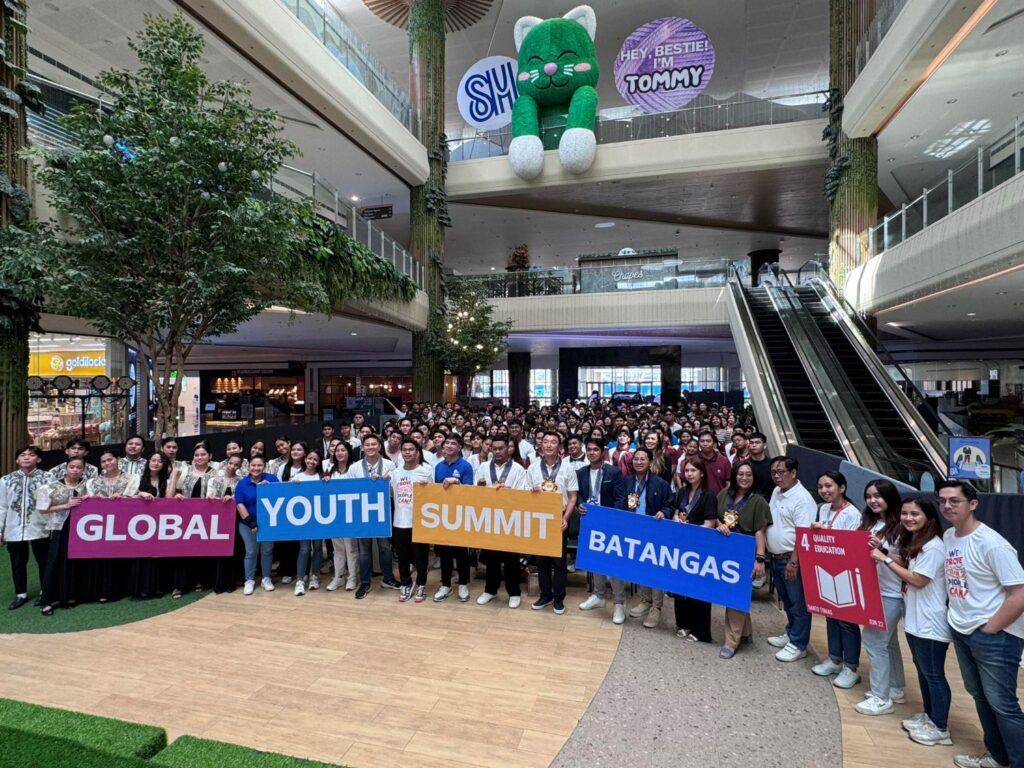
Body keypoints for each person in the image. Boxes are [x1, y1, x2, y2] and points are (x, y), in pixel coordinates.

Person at [940, 480, 1024, 768]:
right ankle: (998, 757)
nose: (947, 506)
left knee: (1003, 704)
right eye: (943, 501)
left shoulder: (992, 543)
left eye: (955, 501)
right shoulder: (950, 536)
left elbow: (1020, 592)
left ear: (973, 504)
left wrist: (990, 628)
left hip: (994, 635)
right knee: (980, 696)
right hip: (963, 630)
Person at [870, 497, 953, 747]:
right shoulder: (919, 543)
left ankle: (940, 728)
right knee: (923, 671)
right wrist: (885, 551)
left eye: (915, 514)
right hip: (916, 618)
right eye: (905, 513)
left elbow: (918, 580)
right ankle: (929, 716)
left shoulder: (934, 547)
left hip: (931, 621)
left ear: (928, 517)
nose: (908, 518)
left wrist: (883, 559)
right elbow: (905, 561)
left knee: (934, 674)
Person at [856, 478, 908, 716]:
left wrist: (883, 550)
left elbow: (909, 562)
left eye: (878, 495)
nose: (873, 500)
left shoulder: (902, 525)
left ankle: (880, 697)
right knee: (889, 643)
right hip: (872, 588)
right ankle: (895, 687)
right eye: (869, 496)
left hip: (892, 592)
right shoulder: (869, 521)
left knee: (875, 641)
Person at [809, 471, 863, 689]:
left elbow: (850, 543)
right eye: (821, 487)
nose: (824, 491)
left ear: (842, 487)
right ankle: (834, 658)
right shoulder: (822, 508)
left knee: (847, 621)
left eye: (829, 486)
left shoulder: (853, 513)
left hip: (846, 573)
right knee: (831, 616)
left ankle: (851, 667)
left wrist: (826, 531)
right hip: (825, 569)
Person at [712, 461, 770, 657]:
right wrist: (720, 524)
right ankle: (746, 632)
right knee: (734, 592)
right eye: (740, 474)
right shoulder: (724, 494)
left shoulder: (758, 502)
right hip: (723, 551)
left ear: (754, 478)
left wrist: (760, 559)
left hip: (744, 552)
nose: (744, 478)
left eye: (749, 475)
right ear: (734, 475)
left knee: (734, 596)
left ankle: (731, 641)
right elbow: (716, 515)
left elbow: (760, 531)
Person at [765, 455, 816, 662]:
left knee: (798, 603)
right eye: (773, 473)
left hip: (791, 559)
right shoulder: (777, 491)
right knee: (786, 600)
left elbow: (803, 534)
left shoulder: (803, 499)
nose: (777, 477)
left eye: (781, 472)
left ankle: (798, 643)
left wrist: (794, 561)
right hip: (775, 557)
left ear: (793, 473)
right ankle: (791, 632)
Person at [475, 433, 532, 609]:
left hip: (510, 519)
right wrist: (482, 488)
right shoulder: (483, 467)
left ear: (509, 448)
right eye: (494, 448)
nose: (498, 451)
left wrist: (507, 491)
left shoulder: (518, 469)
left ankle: (514, 592)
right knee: (490, 557)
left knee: (511, 559)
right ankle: (490, 590)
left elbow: (523, 494)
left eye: (501, 448)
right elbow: (473, 491)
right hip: (489, 517)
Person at [577, 437, 629, 623]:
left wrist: (609, 519)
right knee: (595, 562)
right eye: (589, 449)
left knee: (613, 566)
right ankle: (598, 596)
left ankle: (618, 603)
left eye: (595, 450)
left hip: (610, 524)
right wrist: (580, 506)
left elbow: (620, 499)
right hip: (591, 523)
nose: (591, 452)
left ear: (602, 452)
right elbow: (580, 496)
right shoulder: (581, 472)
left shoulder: (614, 472)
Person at [528, 431, 578, 614]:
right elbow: (525, 495)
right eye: (545, 442)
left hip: (559, 516)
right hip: (539, 516)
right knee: (541, 560)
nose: (549, 445)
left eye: (553, 442)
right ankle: (545, 594)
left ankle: (558, 598)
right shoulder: (533, 468)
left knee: (559, 561)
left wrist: (565, 519)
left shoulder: (568, 468)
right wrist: (531, 491)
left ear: (560, 447)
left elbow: (573, 497)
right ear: (540, 445)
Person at [624, 447, 675, 628]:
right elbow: (620, 504)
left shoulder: (660, 484)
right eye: (636, 459)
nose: (638, 462)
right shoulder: (627, 482)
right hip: (634, 532)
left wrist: (664, 512)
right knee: (640, 568)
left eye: (642, 459)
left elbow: (670, 505)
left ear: (650, 461)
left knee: (655, 570)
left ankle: (656, 607)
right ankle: (645, 600)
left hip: (654, 533)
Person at [669, 456, 716, 641]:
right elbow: (675, 512)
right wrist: (676, 521)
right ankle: (683, 624)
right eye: (687, 470)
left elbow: (710, 523)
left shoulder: (708, 495)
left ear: (701, 473)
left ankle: (700, 630)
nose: (689, 474)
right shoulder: (681, 492)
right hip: (681, 545)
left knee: (698, 589)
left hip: (700, 547)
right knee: (680, 587)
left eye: (693, 471)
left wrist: (690, 530)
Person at [1, 447, 53, 610]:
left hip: (41, 526)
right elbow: (2, 506)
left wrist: (52, 525)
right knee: (17, 562)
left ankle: (45, 592)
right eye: (22, 455)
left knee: (43, 561)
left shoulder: (48, 477)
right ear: (17, 460)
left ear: (38, 459)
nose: (26, 458)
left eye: (31, 455)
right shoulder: (6, 480)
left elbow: (54, 502)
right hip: (14, 527)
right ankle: (21, 594)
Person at [86, 450, 140, 603]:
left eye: (110, 459)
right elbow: (89, 501)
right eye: (103, 461)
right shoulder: (93, 482)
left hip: (124, 523)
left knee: (121, 556)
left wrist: (122, 498)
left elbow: (131, 498)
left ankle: (122, 589)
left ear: (117, 459)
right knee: (102, 558)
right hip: (100, 526)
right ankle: (103, 590)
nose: (107, 463)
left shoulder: (131, 478)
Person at [347, 433, 397, 598]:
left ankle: (388, 578)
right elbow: (349, 492)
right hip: (362, 513)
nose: (370, 447)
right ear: (362, 447)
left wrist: (386, 482)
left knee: (384, 547)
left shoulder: (390, 465)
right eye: (367, 445)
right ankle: (365, 582)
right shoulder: (354, 468)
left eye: (373, 444)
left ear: (379, 446)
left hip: (383, 513)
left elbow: (395, 493)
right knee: (364, 549)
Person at [35, 456, 87, 614]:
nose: (75, 470)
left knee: (74, 562)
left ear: (83, 469)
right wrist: (66, 505)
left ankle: (69, 596)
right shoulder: (50, 486)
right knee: (54, 562)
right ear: (66, 468)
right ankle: (46, 600)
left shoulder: (88, 485)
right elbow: (42, 508)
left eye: (79, 467)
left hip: (81, 529)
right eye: (72, 467)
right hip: (59, 528)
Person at [390, 438, 434, 603]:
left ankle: (421, 584)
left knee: (420, 557)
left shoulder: (426, 472)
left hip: (419, 522)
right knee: (402, 557)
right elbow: (392, 493)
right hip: (399, 521)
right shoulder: (396, 473)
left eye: (411, 449)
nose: (407, 452)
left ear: (417, 452)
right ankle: (406, 583)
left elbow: (433, 497)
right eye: (405, 450)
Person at [433, 434, 475, 602]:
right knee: (444, 552)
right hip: (442, 515)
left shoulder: (465, 466)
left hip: (460, 514)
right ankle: (445, 585)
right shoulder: (438, 466)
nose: (449, 446)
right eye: (447, 443)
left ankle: (463, 584)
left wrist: (456, 483)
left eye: (453, 443)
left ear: (459, 447)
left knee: (461, 552)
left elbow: (470, 490)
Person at [234, 456, 279, 594]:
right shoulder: (242, 483)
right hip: (247, 523)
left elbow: (282, 496)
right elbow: (239, 504)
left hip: (268, 523)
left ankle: (266, 578)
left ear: (264, 467)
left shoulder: (271, 479)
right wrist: (250, 522)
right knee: (251, 551)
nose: (256, 468)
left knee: (267, 550)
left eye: (259, 465)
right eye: (253, 465)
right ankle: (249, 580)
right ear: (249, 467)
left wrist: (270, 489)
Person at [134, 451, 176, 599]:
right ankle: (142, 589)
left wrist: (175, 476)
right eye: (153, 460)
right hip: (139, 524)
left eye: (160, 461)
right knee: (142, 556)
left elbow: (169, 498)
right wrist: (140, 494)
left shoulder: (165, 480)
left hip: (159, 524)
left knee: (158, 556)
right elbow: (126, 497)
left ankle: (157, 587)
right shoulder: (138, 478)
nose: (156, 463)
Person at [288, 448, 325, 596]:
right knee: (304, 549)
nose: (312, 461)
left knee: (317, 548)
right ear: (305, 459)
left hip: (319, 519)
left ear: (319, 462)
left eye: (315, 459)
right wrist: (292, 485)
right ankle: (300, 580)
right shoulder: (298, 477)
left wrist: (326, 482)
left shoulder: (321, 477)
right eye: (309, 458)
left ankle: (314, 576)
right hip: (302, 520)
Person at [274, 441, 309, 585]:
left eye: (299, 449)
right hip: (287, 509)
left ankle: (304, 571)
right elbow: (277, 487)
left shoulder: (309, 467)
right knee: (288, 543)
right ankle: (288, 571)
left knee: (304, 543)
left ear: (305, 452)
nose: (295, 452)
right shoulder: (283, 468)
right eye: (293, 449)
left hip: (305, 510)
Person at [326, 441, 359, 592]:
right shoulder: (329, 469)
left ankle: (352, 577)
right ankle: (338, 576)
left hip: (350, 515)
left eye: (343, 450)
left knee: (351, 547)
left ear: (348, 452)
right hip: (334, 515)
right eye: (337, 450)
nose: (339, 453)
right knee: (337, 548)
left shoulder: (354, 468)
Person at [696, 431, 731, 495]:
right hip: (698, 500)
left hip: (719, 499)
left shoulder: (724, 461)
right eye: (702, 441)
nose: (705, 443)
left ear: (714, 444)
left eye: (708, 441)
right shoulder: (694, 460)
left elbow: (728, 483)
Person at [746, 432, 773, 498]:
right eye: (751, 443)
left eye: (757, 442)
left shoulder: (772, 464)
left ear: (765, 445)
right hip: (751, 502)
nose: (754, 445)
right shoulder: (745, 465)